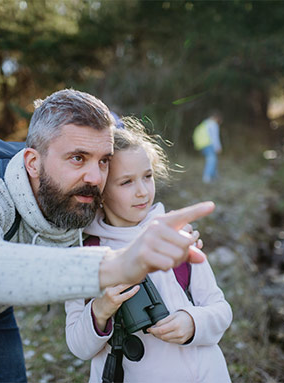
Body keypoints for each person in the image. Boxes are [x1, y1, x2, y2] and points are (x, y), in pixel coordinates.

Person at [0, 89, 214, 382]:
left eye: (104, 160)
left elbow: (127, 220)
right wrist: (116, 265)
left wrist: (173, 239)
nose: (95, 177)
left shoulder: (81, 194)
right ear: (33, 162)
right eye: (77, 157)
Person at [65, 118, 232, 383]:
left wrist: (192, 323)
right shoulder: (85, 255)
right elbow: (78, 347)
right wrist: (101, 309)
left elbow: (221, 310)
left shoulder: (177, 236)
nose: (142, 192)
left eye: (148, 176)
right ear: (101, 190)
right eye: (126, 182)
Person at [192, 111, 222, 183]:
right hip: (208, 144)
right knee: (211, 160)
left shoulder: (205, 123)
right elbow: (214, 137)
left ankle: (214, 175)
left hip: (202, 145)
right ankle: (207, 177)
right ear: (217, 118)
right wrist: (218, 147)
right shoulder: (213, 124)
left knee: (213, 159)